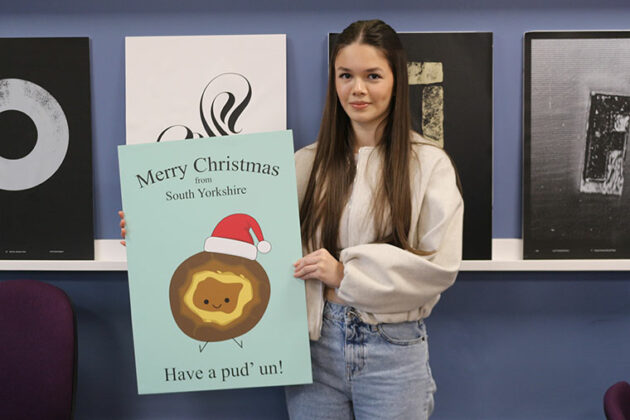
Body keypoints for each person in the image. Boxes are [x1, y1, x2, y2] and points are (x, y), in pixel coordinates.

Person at [120, 18, 462, 420]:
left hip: (392, 349)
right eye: (345, 75)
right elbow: (246, 230)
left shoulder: (429, 165)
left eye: (373, 76)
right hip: (312, 348)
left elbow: (440, 267)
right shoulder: (306, 163)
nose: (358, 89)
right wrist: (154, 227)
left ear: (396, 79)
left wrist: (343, 274)